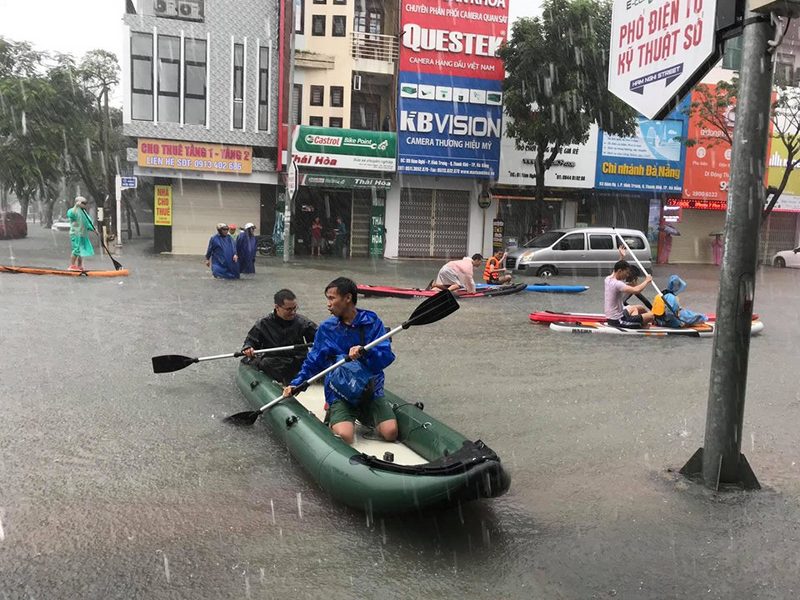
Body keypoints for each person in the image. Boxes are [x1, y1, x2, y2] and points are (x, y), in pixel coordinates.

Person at [283, 277, 397, 445]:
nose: (328, 304)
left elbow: (386, 356)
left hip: (370, 389)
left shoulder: (372, 322)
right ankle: (336, 415)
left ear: (348, 298)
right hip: (340, 391)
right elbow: (313, 361)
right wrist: (297, 383)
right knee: (346, 436)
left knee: (391, 433)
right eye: (327, 299)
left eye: (332, 298)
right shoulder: (327, 328)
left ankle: (364, 413)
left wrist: (365, 352)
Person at [241, 289, 318, 384]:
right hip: (274, 361)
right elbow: (250, 341)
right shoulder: (263, 323)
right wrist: (248, 348)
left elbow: (320, 338)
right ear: (277, 307)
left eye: (295, 308)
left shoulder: (303, 323)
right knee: (265, 363)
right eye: (289, 309)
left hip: (296, 360)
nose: (293, 312)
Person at [604, 260, 654, 327]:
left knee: (640, 308)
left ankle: (642, 321)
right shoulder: (618, 284)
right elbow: (636, 290)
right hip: (618, 320)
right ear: (620, 271)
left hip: (617, 314)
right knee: (651, 316)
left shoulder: (608, 278)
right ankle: (643, 325)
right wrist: (647, 281)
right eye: (626, 273)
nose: (627, 275)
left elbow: (617, 267)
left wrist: (622, 257)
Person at [66, 196, 95, 271]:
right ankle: (72, 265)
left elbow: (88, 222)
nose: (85, 205)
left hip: (83, 234)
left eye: (86, 203)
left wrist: (93, 229)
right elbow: (70, 214)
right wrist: (76, 206)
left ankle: (79, 266)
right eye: (83, 203)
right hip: (75, 233)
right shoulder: (73, 211)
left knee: (81, 251)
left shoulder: (84, 212)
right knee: (76, 249)